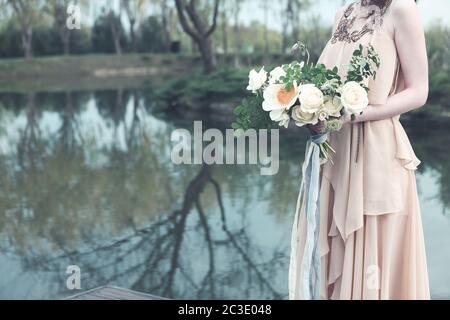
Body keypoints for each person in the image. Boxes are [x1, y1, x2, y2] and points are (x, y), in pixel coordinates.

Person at [289, 0, 430, 300]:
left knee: (371, 264)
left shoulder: (402, 9)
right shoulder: (344, 11)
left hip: (376, 154)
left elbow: (419, 91)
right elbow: (330, 83)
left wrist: (353, 113)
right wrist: (309, 109)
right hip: (333, 153)